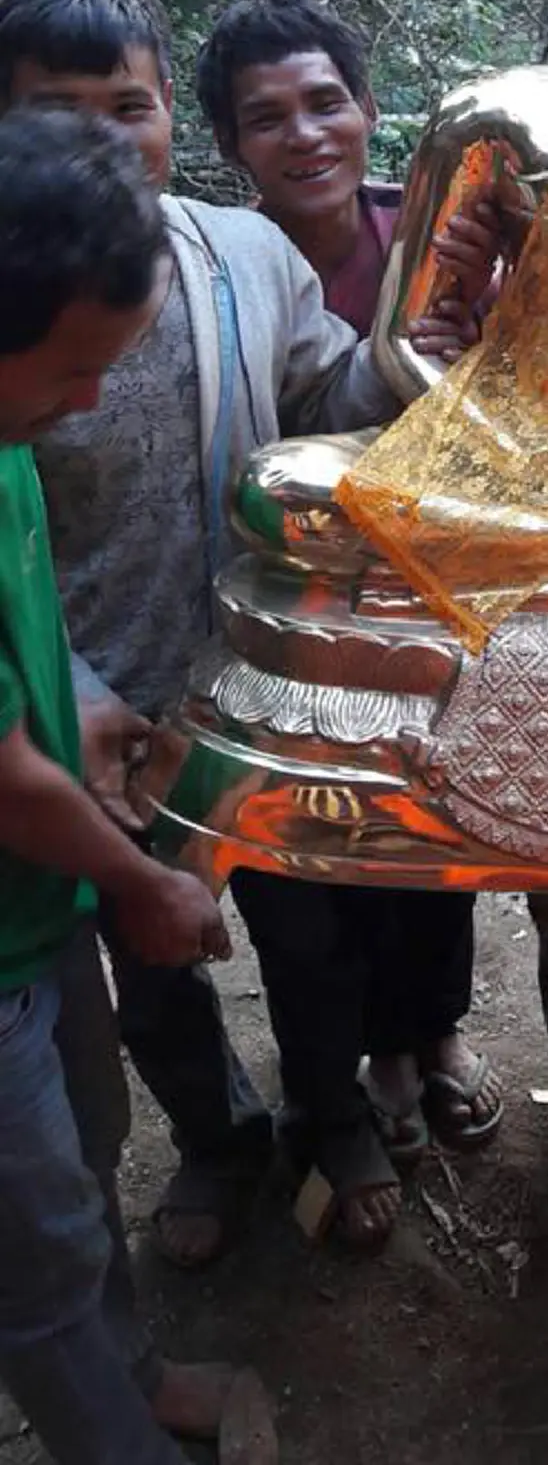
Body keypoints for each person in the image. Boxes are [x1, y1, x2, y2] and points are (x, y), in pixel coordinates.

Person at [0, 0, 430, 1257]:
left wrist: (413, 343)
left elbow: (324, 400)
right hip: (90, 701)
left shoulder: (241, 254)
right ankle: (213, 1139)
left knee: (307, 932)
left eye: (126, 105)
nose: (101, 138)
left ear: (170, 110)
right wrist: (72, 694)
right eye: (55, 111)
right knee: (150, 954)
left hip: (248, 680)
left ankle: (329, 1116)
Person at [194, 0, 502, 1180]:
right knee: (311, 857)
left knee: (437, 830)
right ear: (230, 149)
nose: (306, 134)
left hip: (427, 587)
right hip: (285, 607)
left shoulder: (436, 234)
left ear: (372, 111)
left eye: (327, 102)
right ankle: (349, 1068)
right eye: (267, 119)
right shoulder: (221, 266)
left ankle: (429, 1033)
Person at [0, 105, 256, 1465]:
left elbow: (23, 638)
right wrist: (143, 881)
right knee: (30, 1254)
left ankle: (135, 1370)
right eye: (73, 368)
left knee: (85, 1149)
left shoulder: (6, 444)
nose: (93, 398)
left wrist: (89, 703)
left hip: (33, 918)